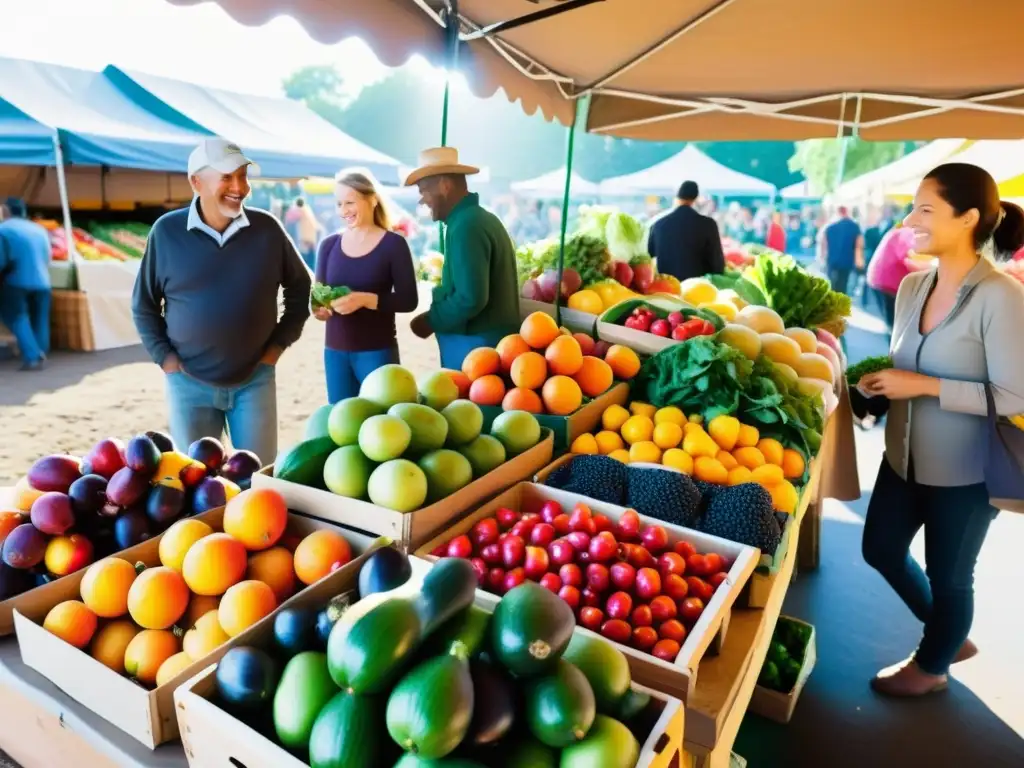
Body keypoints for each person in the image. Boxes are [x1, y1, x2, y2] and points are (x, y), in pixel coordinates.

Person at [858, 162, 1024, 697]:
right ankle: (950, 635)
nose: (910, 219)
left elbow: (1015, 397)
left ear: (969, 217)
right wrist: (875, 390)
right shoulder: (910, 286)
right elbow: (903, 361)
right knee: (880, 548)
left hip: (968, 474)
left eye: (925, 209)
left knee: (951, 577)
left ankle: (932, 666)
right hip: (901, 458)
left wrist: (925, 387)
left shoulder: (1002, 297)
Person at [132, 138, 311, 464]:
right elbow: (144, 304)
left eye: (243, 176)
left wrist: (276, 348)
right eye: (227, 177)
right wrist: (165, 359)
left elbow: (301, 290)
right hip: (188, 384)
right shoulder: (166, 232)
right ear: (196, 182)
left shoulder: (267, 229)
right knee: (196, 479)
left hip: (254, 381)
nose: (239, 187)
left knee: (259, 476)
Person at [406, 147, 519, 370]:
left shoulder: (468, 225)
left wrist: (431, 320)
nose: (422, 201)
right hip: (484, 343)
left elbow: (471, 298)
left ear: (445, 185)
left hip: (477, 346)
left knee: (471, 405)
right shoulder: (476, 219)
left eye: (425, 191)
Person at [313, 170, 418, 404]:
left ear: (372, 199)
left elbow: (409, 300)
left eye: (350, 202)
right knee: (341, 429)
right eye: (339, 204)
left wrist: (364, 299)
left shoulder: (394, 245)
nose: (343, 211)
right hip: (335, 354)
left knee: (384, 427)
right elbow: (318, 301)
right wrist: (320, 310)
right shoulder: (328, 245)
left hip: (377, 352)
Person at [0, 197, 52, 371]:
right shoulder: (39, 229)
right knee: (40, 318)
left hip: (16, 281)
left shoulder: (3, 230)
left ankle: (33, 355)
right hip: (43, 281)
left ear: (6, 210)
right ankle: (41, 351)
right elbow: (48, 257)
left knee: (16, 316)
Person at [647, 181, 725, 282]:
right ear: (696, 197)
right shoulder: (708, 224)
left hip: (667, 289)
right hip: (698, 288)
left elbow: (647, 257)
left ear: (677, 196)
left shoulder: (658, 225)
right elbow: (717, 265)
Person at [820, 205, 864, 294]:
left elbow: (823, 245)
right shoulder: (854, 226)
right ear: (847, 212)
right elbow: (858, 246)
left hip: (832, 261)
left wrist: (822, 259)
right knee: (843, 285)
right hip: (846, 262)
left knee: (832, 285)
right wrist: (859, 262)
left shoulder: (829, 227)